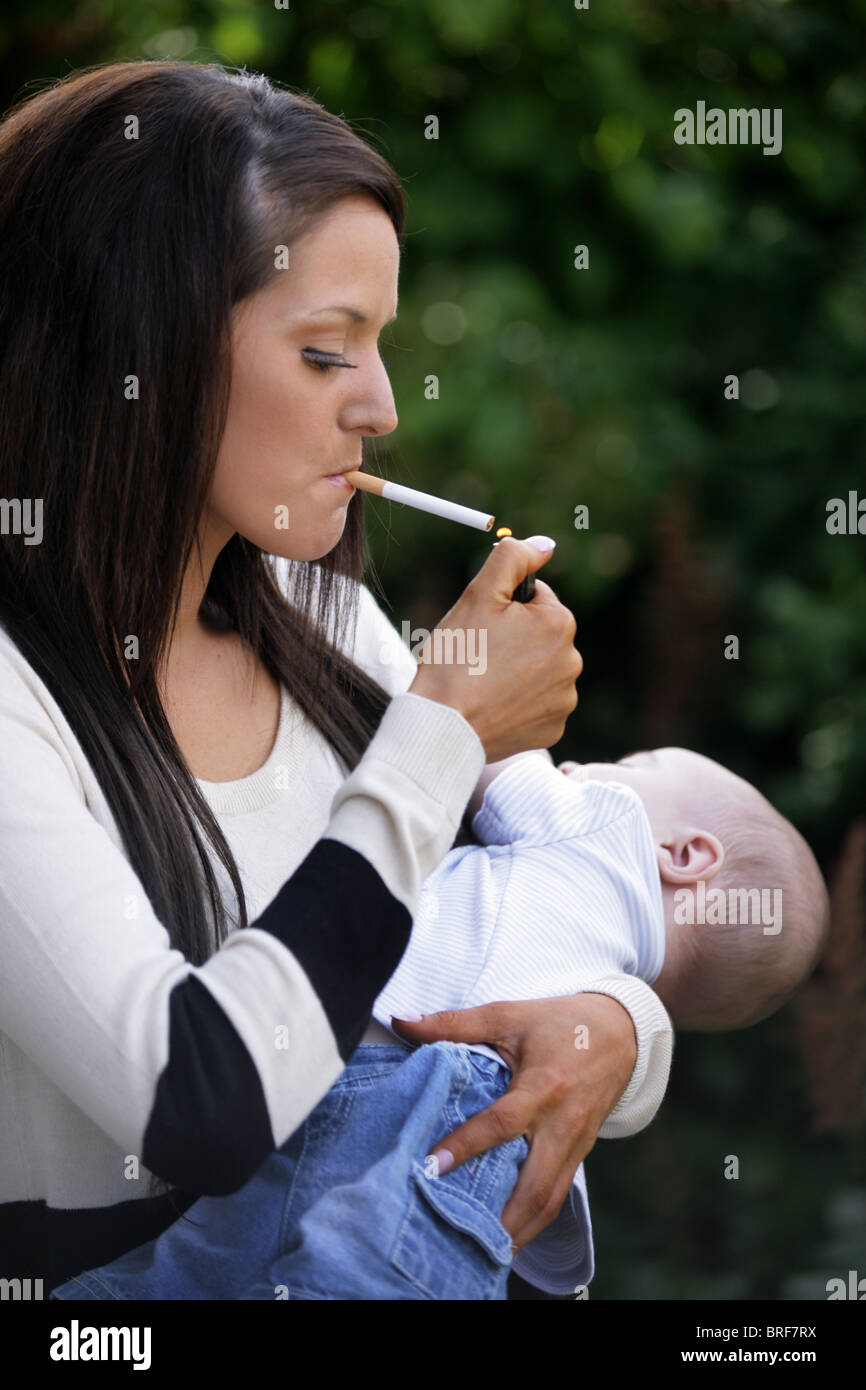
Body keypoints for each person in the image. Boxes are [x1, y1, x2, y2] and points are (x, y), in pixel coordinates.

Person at [0, 60, 671, 1297]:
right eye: (324, 353)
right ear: (132, 353)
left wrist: (617, 1034)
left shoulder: (323, 626)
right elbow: (197, 1104)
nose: (380, 408)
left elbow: (518, 931)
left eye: (381, 346)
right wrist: (443, 735)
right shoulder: (16, 699)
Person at [50, 742, 828, 1301]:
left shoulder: (603, 832)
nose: (579, 769)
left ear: (685, 855)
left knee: (232, 1272)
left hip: (430, 1090)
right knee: (330, 1264)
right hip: (431, 1112)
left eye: (623, 770)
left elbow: (482, 749)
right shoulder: (600, 973)